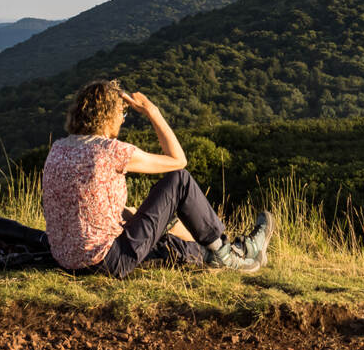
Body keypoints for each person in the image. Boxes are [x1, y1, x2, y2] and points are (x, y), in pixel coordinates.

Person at [42, 79, 272, 278]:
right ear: (109, 116)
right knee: (179, 181)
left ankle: (237, 251)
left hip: (67, 259)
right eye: (122, 114)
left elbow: (87, 205)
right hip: (107, 260)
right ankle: (228, 255)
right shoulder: (110, 150)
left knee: (175, 242)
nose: (122, 120)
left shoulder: (59, 149)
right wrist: (153, 112)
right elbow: (178, 160)